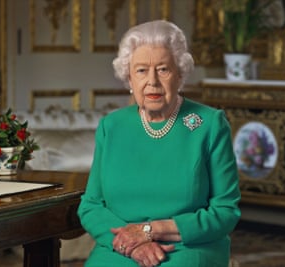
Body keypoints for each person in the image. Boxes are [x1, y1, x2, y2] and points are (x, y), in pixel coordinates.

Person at [77, 20, 241, 267]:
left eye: (163, 69)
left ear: (180, 75)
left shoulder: (209, 125)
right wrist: (134, 244)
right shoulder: (111, 127)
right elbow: (90, 206)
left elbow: (226, 211)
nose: (152, 81)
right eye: (141, 70)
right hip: (121, 248)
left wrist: (150, 230)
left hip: (187, 247)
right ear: (129, 78)